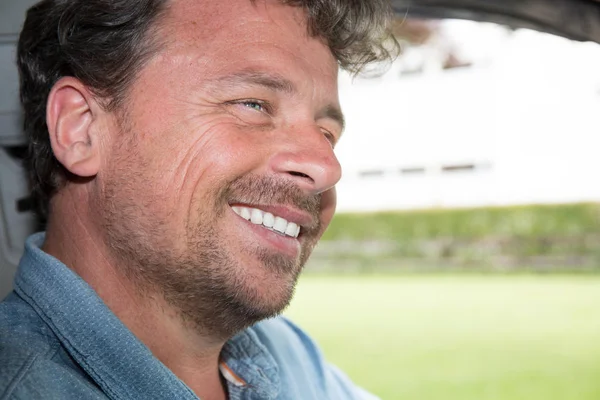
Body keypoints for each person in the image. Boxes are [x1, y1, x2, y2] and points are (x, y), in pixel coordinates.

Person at [0, 0, 397, 398]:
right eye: (253, 105)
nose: (327, 168)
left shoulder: (290, 355)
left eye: (327, 134)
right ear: (81, 129)